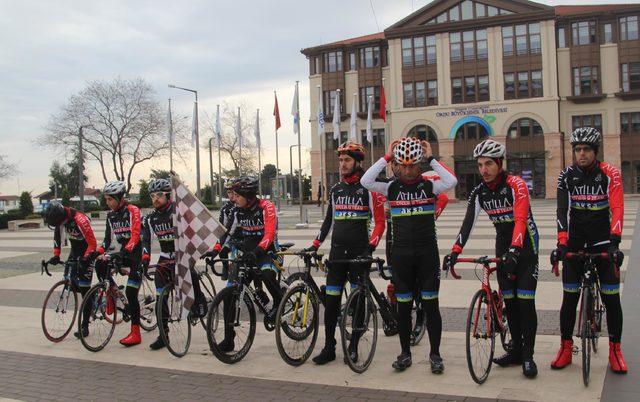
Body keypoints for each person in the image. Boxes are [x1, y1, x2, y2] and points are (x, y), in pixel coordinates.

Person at [443, 139, 540, 378]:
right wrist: (455, 250)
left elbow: (520, 219)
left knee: (525, 302)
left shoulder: (515, 185)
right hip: (502, 246)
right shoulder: (480, 192)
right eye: (479, 165)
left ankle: (528, 355)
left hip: (525, 247)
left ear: (499, 163)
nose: (483, 170)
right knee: (511, 303)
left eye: (488, 164)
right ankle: (516, 350)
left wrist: (516, 250)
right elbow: (468, 223)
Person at [361, 136, 457, 373]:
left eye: (412, 165)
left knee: (431, 306)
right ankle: (405, 353)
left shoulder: (429, 185)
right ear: (396, 164)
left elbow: (451, 180)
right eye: (401, 165)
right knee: (403, 307)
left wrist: (432, 157)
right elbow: (366, 180)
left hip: (427, 255)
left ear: (419, 164)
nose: (407, 170)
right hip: (401, 256)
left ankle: (435, 354)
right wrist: (386, 155)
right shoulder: (391, 187)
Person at [550, 127, 627, 374]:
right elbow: (562, 211)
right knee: (569, 298)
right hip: (575, 242)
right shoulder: (566, 175)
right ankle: (565, 347)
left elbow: (617, 207)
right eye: (577, 150)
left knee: (612, 299)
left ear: (595, 151)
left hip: (602, 241)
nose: (581, 154)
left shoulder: (610, 174)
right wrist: (562, 244)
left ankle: (615, 350)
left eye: (586, 150)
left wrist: (615, 243)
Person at [303, 141, 386, 365]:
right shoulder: (336, 190)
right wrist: (316, 243)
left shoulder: (370, 189)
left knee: (358, 302)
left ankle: (354, 345)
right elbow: (329, 221)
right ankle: (329, 346)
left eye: (347, 160)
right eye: (340, 160)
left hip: (360, 253)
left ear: (358, 162)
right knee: (331, 303)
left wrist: (371, 246)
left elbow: (380, 222)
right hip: (338, 253)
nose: (342, 164)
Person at [202, 175, 281, 352]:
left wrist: (258, 251)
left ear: (248, 194)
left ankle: (279, 302)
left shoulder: (266, 207)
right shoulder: (237, 211)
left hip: (267, 251)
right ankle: (229, 339)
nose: (233, 198)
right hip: (246, 254)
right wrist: (215, 250)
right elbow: (226, 234)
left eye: (237, 195)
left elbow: (269, 234)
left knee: (267, 274)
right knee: (230, 293)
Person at [95, 180, 144, 347]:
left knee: (131, 293)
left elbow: (136, 235)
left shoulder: (133, 211)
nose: (107, 203)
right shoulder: (111, 215)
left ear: (119, 198)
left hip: (137, 253)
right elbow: (108, 241)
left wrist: (123, 253)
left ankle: (136, 333)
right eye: (106, 199)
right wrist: (98, 252)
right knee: (100, 265)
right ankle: (111, 294)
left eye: (110, 199)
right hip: (124, 251)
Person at [43, 201, 98, 338]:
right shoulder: (60, 218)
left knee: (85, 290)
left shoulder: (80, 219)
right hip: (74, 251)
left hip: (87, 251)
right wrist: (56, 255)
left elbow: (92, 243)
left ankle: (84, 327)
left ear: (62, 217)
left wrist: (86, 259)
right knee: (71, 284)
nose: (59, 226)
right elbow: (57, 237)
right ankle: (93, 296)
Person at [141, 178, 176, 350]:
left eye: (159, 195)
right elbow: (146, 241)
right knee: (160, 297)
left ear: (168, 195)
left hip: (181, 255)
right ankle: (164, 335)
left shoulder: (178, 212)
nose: (155, 199)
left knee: (190, 277)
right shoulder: (150, 218)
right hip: (164, 257)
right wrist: (145, 260)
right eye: (152, 195)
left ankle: (198, 300)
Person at [218, 183, 237, 281]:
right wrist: (220, 244)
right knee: (222, 252)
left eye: (233, 192)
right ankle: (226, 267)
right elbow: (222, 228)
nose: (232, 195)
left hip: (243, 239)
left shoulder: (242, 204)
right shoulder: (225, 209)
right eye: (229, 192)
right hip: (230, 237)